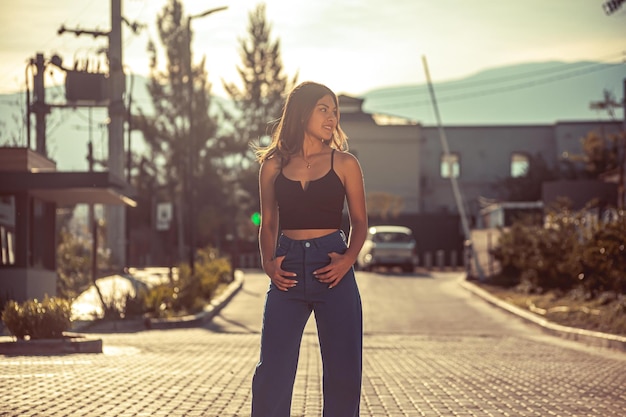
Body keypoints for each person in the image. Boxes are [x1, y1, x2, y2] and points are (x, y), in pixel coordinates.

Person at [251, 81, 368, 417]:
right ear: (302, 112)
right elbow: (268, 222)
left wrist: (347, 260)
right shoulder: (273, 165)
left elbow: (360, 223)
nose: (332, 118)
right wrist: (268, 262)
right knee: (272, 371)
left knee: (343, 371)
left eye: (335, 111)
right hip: (287, 269)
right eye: (323, 109)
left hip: (333, 266)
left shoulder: (345, 163)